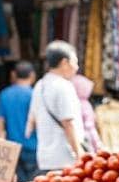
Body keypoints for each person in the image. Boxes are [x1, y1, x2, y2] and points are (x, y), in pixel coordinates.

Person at [26, 40, 84, 173]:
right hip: (64, 159)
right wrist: (80, 154)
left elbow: (31, 122)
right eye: (74, 62)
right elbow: (68, 123)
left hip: (44, 158)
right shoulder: (64, 86)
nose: (76, 67)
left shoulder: (39, 85)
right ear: (64, 63)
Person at [0, 61, 38, 182]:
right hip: (33, 146)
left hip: (12, 148)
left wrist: (1, 147)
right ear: (32, 75)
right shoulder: (34, 94)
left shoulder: (4, 94)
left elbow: (0, 125)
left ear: (14, 75)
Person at [72, 74, 101, 153]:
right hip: (85, 138)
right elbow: (90, 125)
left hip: (81, 138)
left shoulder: (75, 103)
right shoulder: (85, 104)